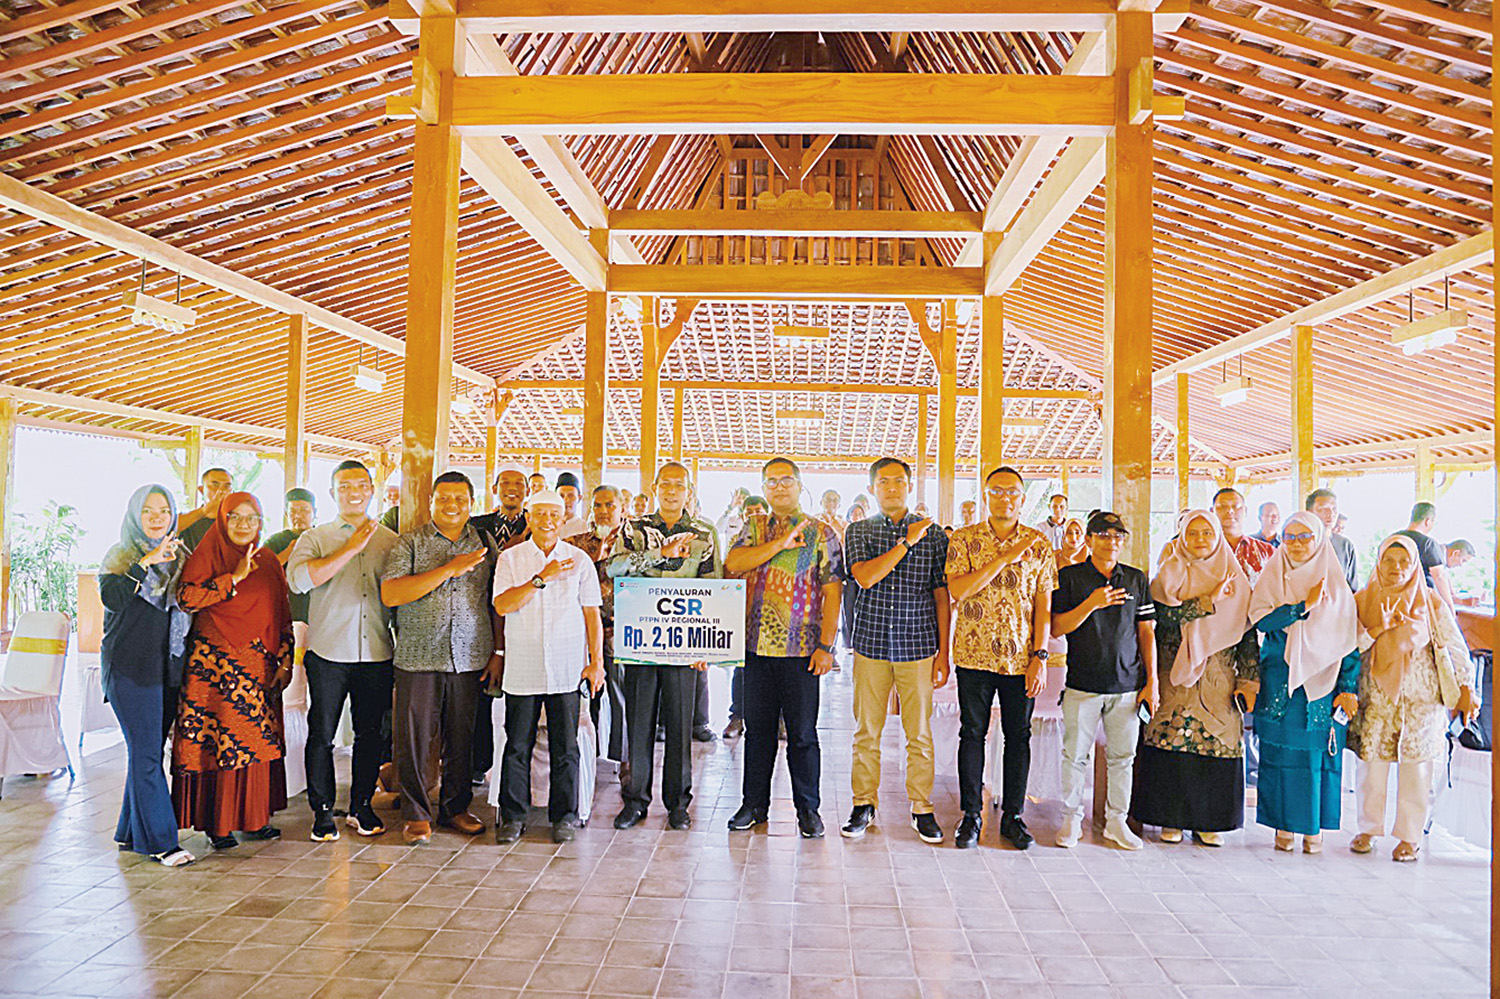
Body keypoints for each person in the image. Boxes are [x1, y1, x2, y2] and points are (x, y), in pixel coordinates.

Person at [726, 458, 842, 839]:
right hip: (755, 649)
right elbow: (734, 562)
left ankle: (808, 810)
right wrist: (778, 545)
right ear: (763, 487)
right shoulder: (753, 526)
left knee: (803, 734)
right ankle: (753, 805)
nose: (779, 487)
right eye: (772, 481)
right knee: (757, 733)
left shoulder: (822, 533)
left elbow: (832, 591)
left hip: (802, 651)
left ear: (799, 485)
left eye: (786, 480)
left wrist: (827, 645)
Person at [380, 471, 497, 844]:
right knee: (414, 738)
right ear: (432, 501)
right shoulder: (409, 543)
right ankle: (415, 813)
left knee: (462, 737)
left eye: (460, 499)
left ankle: (455, 808)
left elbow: (495, 600)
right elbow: (392, 594)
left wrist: (498, 652)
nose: (452, 505)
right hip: (419, 656)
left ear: (471, 503)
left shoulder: (484, 542)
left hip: (469, 655)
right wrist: (449, 569)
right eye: (444, 498)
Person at [1130, 510, 1258, 846]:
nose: (1200, 539)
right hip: (1172, 678)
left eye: (1206, 533)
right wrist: (1206, 602)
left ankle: (1208, 822)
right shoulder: (1167, 575)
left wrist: (1248, 681)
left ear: (1217, 536)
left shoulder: (1237, 580)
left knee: (1213, 748)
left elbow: (1246, 635)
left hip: (1218, 681)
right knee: (1171, 744)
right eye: (1193, 533)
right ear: (1181, 536)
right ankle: (1170, 820)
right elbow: (1159, 618)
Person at [173, 492, 293, 850]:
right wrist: (233, 577)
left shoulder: (269, 559)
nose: (243, 525)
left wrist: (285, 657)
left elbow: (281, 610)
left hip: (258, 666)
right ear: (222, 521)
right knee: (219, 744)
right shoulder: (206, 556)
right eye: (235, 518)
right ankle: (219, 824)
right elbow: (186, 598)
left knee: (255, 746)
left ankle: (254, 820)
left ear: (261, 522)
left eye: (251, 518)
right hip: (214, 670)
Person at [287, 460, 399, 842]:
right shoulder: (315, 538)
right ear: (333, 493)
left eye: (362, 485)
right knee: (323, 733)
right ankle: (321, 811)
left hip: (377, 652)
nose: (354, 491)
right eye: (345, 486)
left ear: (372, 491)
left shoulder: (390, 539)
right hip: (329, 651)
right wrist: (351, 548)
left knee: (370, 735)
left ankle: (361, 806)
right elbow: (302, 581)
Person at [840, 458, 950, 844]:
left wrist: (944, 652)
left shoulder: (934, 535)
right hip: (870, 643)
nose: (891, 487)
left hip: (919, 645)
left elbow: (942, 597)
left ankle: (922, 808)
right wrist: (906, 542)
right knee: (866, 731)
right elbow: (865, 576)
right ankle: (862, 804)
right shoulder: (858, 530)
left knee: (918, 733)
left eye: (899, 481)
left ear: (909, 486)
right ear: (872, 488)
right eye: (883, 482)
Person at [946, 466, 1056, 851]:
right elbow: (957, 590)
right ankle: (971, 816)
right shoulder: (964, 539)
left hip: (1020, 659)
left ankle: (1013, 817)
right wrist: (1002, 559)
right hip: (973, 654)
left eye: (1012, 492)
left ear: (1023, 499)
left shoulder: (1040, 544)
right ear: (985, 495)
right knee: (972, 734)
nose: (1005, 498)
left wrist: (1040, 656)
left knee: (1018, 736)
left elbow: (1044, 605)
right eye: (997, 491)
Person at [607, 463, 723, 830]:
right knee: (638, 724)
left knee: (679, 726)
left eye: (679, 486)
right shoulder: (636, 529)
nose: (672, 491)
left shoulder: (704, 533)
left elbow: (712, 587)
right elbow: (613, 569)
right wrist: (660, 553)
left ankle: (678, 804)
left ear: (689, 491)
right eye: (666, 485)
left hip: (684, 644)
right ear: (655, 488)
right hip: (642, 641)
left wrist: (706, 646)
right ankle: (636, 801)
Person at [1350, 536, 1477, 862]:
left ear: (1415, 565)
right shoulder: (1363, 600)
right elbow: (1350, 648)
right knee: (1371, 766)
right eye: (1389, 561)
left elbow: (1455, 647)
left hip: (1422, 700)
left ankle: (1409, 837)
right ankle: (1368, 829)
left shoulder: (1431, 602)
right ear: (1378, 562)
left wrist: (1467, 689)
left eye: (1404, 562)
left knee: (1417, 770)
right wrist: (1378, 627)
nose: (1396, 568)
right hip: (1376, 698)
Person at [491, 490, 605, 844]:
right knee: (517, 745)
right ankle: (513, 816)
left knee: (565, 746)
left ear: (561, 519)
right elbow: (503, 605)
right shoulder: (510, 559)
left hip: (567, 666)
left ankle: (565, 816)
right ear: (529, 516)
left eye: (553, 515)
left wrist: (596, 662)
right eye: (539, 514)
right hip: (523, 668)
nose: (547, 521)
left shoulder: (580, 560)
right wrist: (542, 576)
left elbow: (592, 614)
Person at [1247, 512, 1360, 854]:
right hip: (1281, 680)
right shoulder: (1273, 575)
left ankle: (1314, 827)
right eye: (1290, 537)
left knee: (1317, 758)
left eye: (1304, 537)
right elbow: (1262, 619)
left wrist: (1348, 689)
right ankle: (1283, 825)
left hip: (1323, 685)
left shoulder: (1337, 586)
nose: (1296, 544)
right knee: (1280, 753)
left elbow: (1349, 642)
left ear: (1319, 539)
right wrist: (1302, 607)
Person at [98, 485, 195, 867]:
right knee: (146, 754)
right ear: (135, 514)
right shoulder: (120, 555)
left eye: (165, 510)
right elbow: (114, 599)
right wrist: (147, 560)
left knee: (147, 754)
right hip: (129, 669)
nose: (158, 517)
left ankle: (128, 831)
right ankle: (161, 842)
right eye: (149, 511)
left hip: (167, 668)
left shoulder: (181, 556)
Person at [1051, 511, 1157, 851]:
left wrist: (1151, 681)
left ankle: (1116, 821)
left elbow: (1146, 632)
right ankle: (1070, 819)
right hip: (1082, 682)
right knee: (1074, 755)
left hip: (1127, 683)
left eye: (1118, 536)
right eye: (1104, 535)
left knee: (1122, 758)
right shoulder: (1069, 577)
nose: (1112, 542)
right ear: (1089, 539)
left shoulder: (1136, 579)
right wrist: (1092, 603)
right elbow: (1057, 627)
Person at [469, 468, 530, 786]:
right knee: (480, 691)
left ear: (528, 491)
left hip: (524, 616)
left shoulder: (539, 525)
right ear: (494, 488)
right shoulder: (476, 526)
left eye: (519, 484)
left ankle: (520, 768)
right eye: (505, 483)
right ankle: (478, 764)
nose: (512, 488)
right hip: (480, 615)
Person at [567, 485, 628, 770]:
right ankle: (585, 760)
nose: (604, 512)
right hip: (582, 632)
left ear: (622, 509)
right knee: (584, 695)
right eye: (598, 506)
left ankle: (623, 763)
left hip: (621, 632)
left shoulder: (636, 542)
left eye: (610, 506)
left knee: (620, 699)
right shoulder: (575, 543)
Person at [722, 495, 770, 739]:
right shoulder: (735, 542)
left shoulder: (778, 541)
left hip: (772, 620)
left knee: (776, 673)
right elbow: (728, 572)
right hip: (741, 615)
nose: (753, 515)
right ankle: (737, 717)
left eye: (758, 511)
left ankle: (779, 721)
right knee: (741, 670)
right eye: (749, 511)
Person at [264, 488, 316, 670]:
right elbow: (263, 570)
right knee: (288, 670)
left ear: (314, 513)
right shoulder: (276, 540)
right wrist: (290, 551)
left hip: (318, 614)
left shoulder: (322, 538)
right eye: (293, 511)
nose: (298, 515)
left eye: (304, 510)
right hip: (286, 613)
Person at [1397, 502, 1457, 608]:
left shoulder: (1391, 540)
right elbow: (1439, 576)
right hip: (1418, 603)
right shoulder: (1428, 543)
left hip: (1392, 601)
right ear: (1427, 521)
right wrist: (1449, 605)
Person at [1212, 487, 1275, 582]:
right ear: (1212, 511)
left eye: (1236, 506)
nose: (1230, 511)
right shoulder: (1203, 551)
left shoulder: (1267, 551)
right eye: (1223, 506)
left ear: (1245, 511)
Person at [1305, 489, 1359, 591]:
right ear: (1309, 512)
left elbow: (1352, 588)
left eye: (1334, 509)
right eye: (1323, 509)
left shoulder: (1345, 546)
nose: (1330, 513)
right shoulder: (1299, 544)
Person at [176, 467, 232, 551]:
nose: (221, 491)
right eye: (215, 485)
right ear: (201, 490)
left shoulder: (236, 521)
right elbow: (167, 527)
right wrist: (205, 511)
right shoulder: (190, 520)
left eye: (227, 486)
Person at [556, 472, 588, 537]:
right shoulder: (550, 525)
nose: (565, 500)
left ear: (579, 498)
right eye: (561, 496)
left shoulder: (584, 527)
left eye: (570, 496)